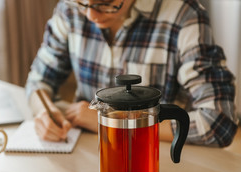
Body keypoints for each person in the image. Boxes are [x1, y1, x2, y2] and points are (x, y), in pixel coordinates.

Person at [25, 0, 239, 147]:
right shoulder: (69, 9)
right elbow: (38, 81)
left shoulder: (184, 15)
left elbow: (220, 121)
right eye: (82, 3)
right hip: (87, 152)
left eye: (106, 3)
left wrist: (109, 120)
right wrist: (45, 113)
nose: (91, 15)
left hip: (157, 159)